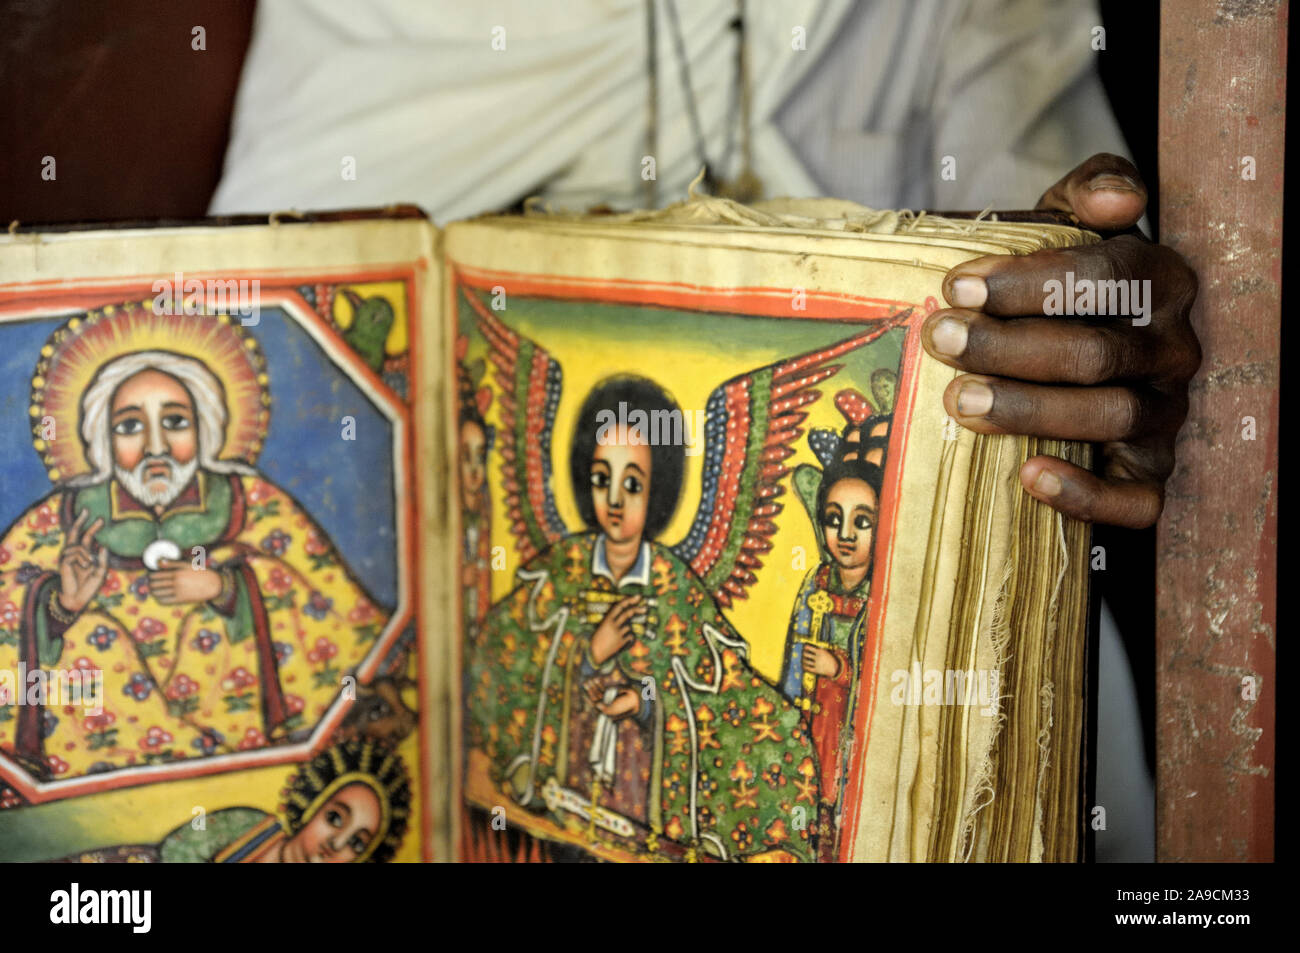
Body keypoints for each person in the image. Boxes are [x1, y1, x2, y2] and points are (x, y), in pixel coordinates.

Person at [0, 306, 389, 779]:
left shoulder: (252, 503)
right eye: (129, 426)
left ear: (205, 427)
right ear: (101, 438)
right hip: (108, 746)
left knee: (220, 620)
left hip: (234, 730)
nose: (156, 446)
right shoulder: (62, 520)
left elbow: (331, 609)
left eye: (176, 422)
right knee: (91, 640)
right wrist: (61, 607)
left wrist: (226, 590)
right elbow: (9, 599)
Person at [466, 376, 820, 862]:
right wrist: (588, 656)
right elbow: (507, 656)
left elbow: (717, 692)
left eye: (632, 484)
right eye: (601, 479)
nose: (614, 500)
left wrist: (645, 702)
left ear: (657, 490)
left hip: (637, 808)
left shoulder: (673, 585)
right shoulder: (560, 570)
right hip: (564, 810)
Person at [50, 738, 411, 863]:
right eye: (335, 818)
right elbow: (179, 848)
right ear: (312, 807)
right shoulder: (249, 825)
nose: (336, 844)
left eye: (357, 843)